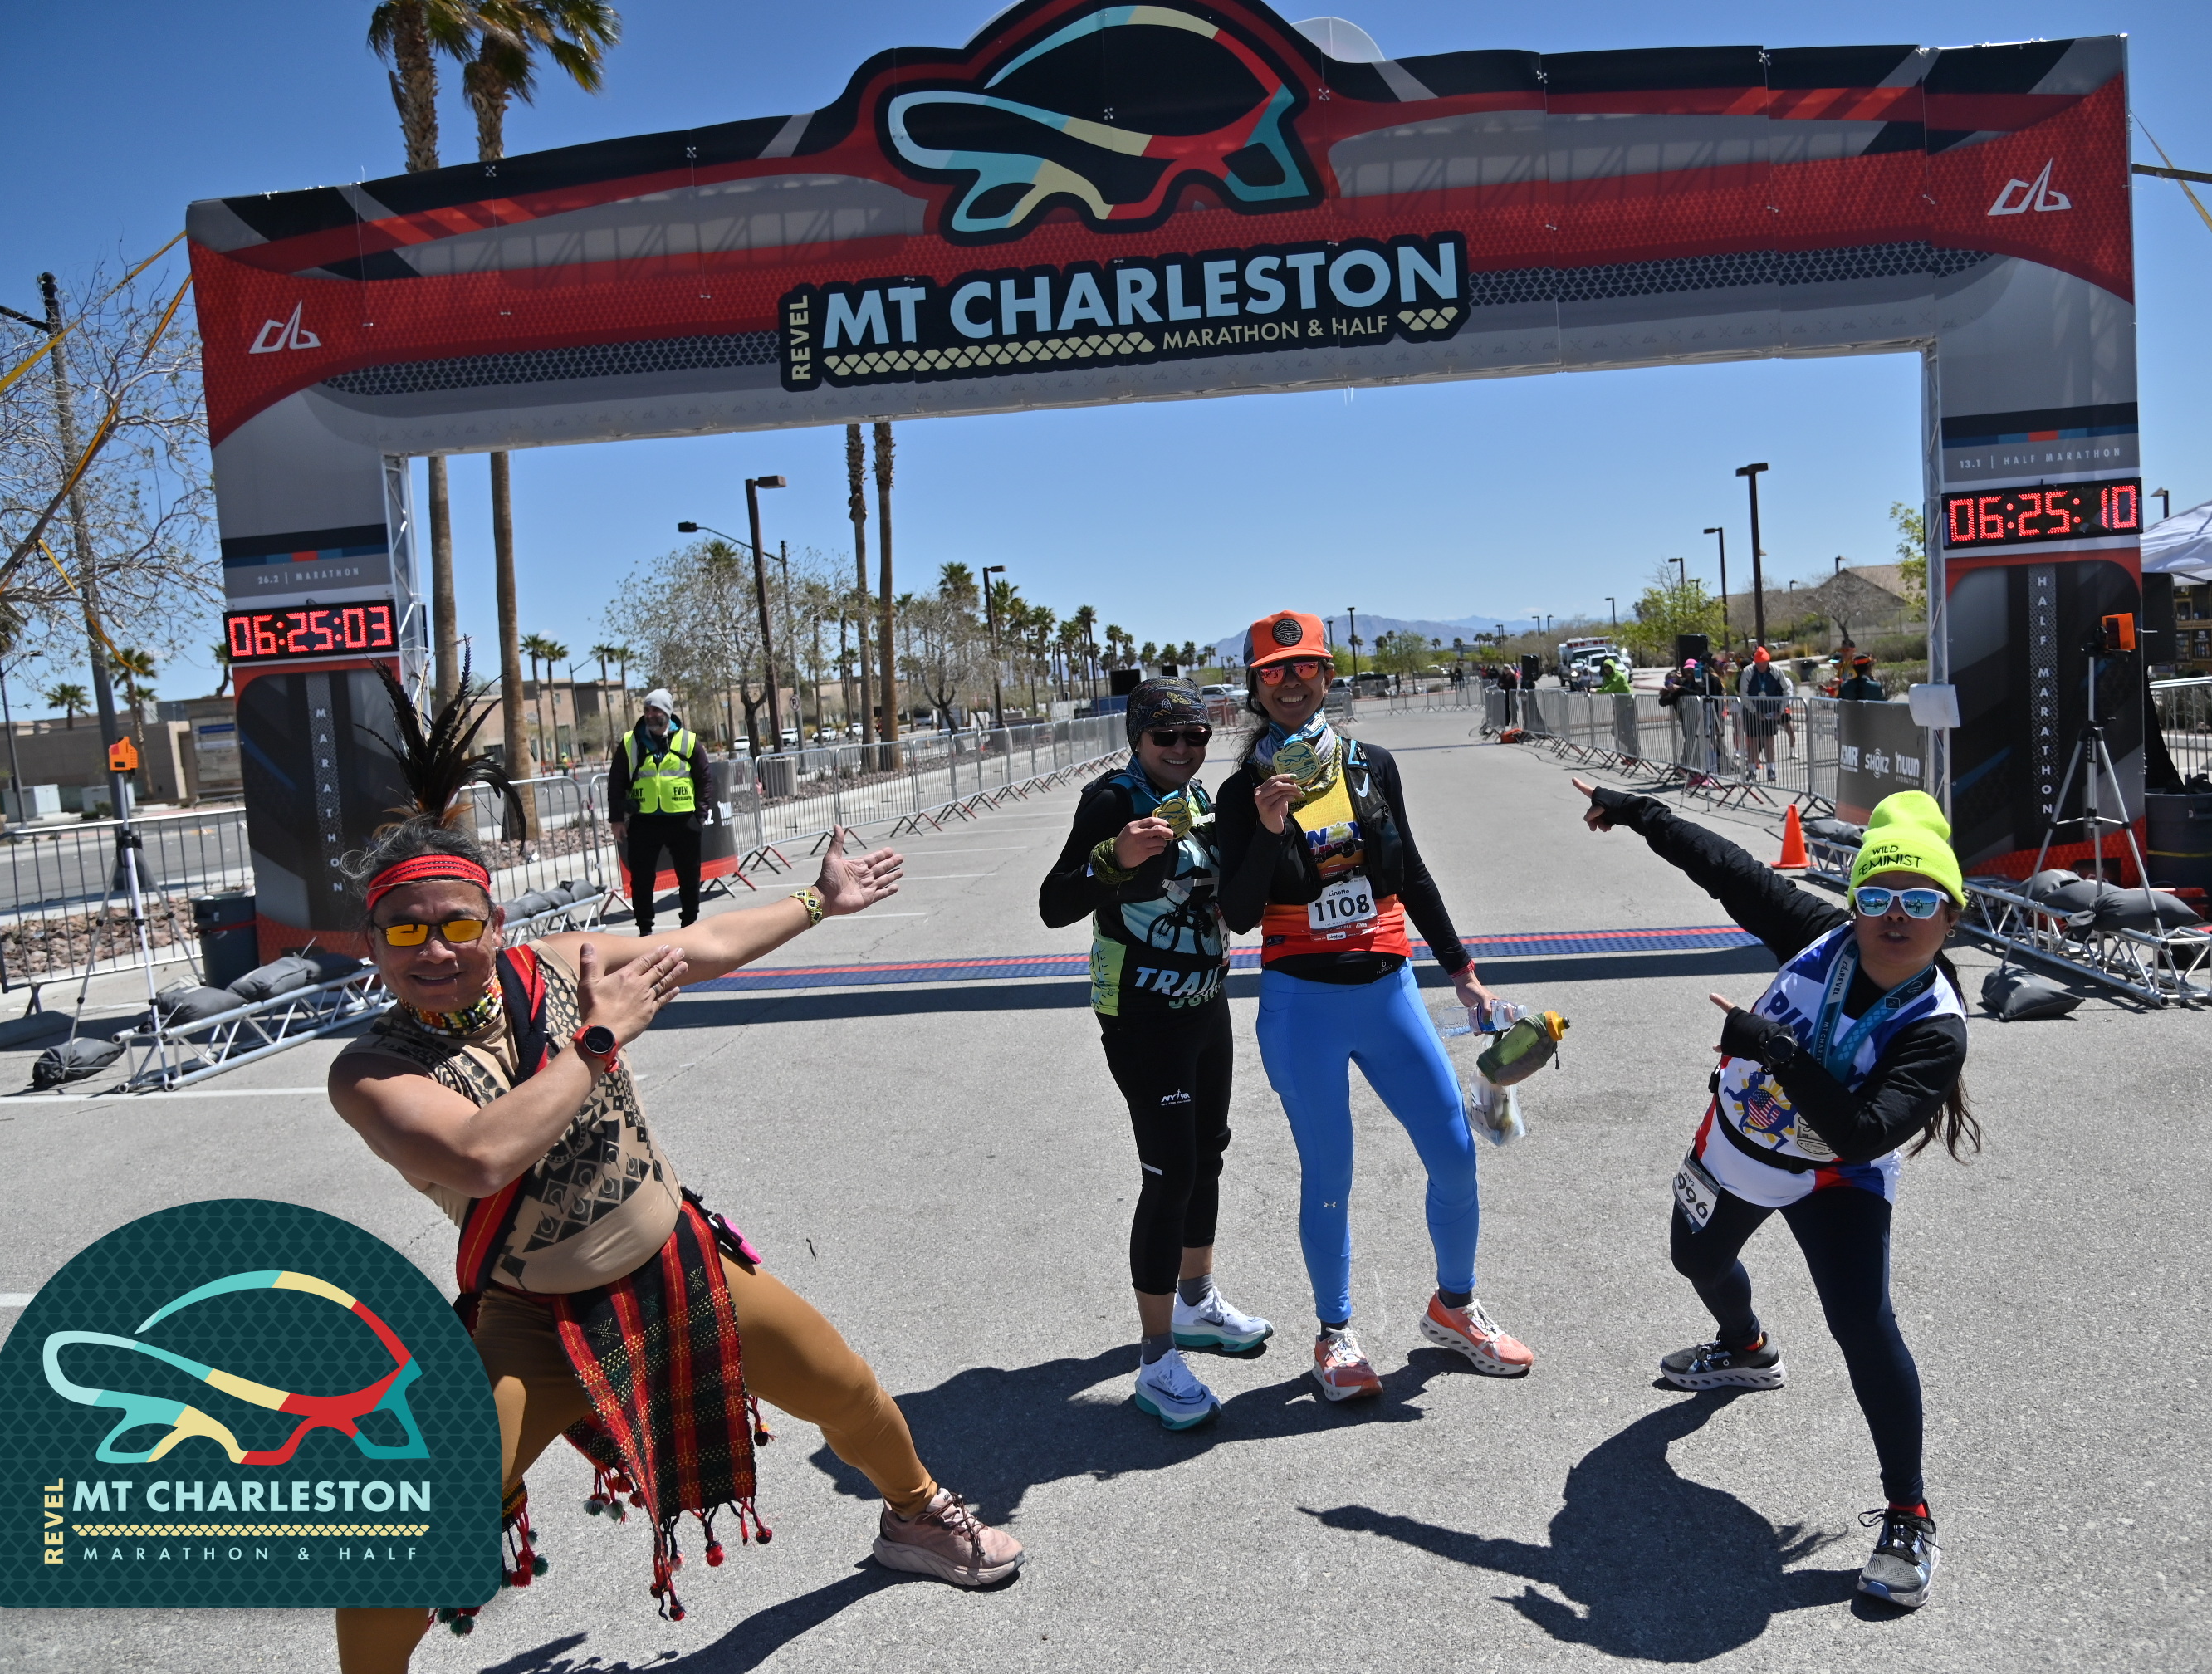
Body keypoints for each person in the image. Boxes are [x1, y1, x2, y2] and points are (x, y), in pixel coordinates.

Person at [328, 666, 1020, 1674]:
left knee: (845, 1389)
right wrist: (598, 1042)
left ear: (495, 924)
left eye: (457, 924)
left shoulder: (556, 967)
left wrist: (816, 902)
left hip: (679, 1267)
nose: (433, 950)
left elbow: (699, 945)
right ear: (371, 944)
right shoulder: (371, 1070)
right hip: (534, 1320)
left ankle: (916, 1519)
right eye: (405, 930)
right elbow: (479, 1158)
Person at [1568, 776, 1977, 1611]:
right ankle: (1747, 1348)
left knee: (1863, 1324)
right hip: (1736, 1146)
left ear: (1951, 917)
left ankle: (1909, 1515)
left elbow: (1864, 1132)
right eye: (1877, 896)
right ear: (1854, 903)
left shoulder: (1936, 1026)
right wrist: (1637, 810)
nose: (1895, 916)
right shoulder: (1818, 935)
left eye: (1920, 900)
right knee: (1694, 1259)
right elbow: (1724, 867)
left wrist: (1778, 1050)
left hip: (1836, 1174)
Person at [1213, 609, 1534, 1402]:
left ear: (1327, 675)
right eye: (1274, 672)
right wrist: (1267, 828)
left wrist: (1463, 972)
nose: (1291, 683)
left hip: (1389, 990)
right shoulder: (1242, 789)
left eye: (1305, 668)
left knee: (1455, 1153)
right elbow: (1240, 914)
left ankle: (1454, 1307)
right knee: (1330, 1175)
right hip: (1302, 1004)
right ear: (1255, 686)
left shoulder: (1372, 765)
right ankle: (1336, 1335)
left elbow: (1411, 872)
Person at [1039, 678, 1273, 1431]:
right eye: (1165, 736)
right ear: (1137, 739)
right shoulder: (1113, 799)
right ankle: (1155, 1358)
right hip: (1141, 1014)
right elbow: (1054, 903)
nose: (1181, 748)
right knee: (1169, 1174)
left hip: (1206, 1002)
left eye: (1195, 736)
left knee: (1207, 1155)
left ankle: (1196, 1301)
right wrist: (1113, 856)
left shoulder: (1199, 800)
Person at [609, 689, 712, 936]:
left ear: (667, 712)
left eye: (655, 710)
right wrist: (616, 819)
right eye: (646, 710)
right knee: (641, 879)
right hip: (644, 820)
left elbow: (705, 779)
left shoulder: (688, 740)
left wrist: (700, 814)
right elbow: (616, 781)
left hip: (683, 820)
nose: (650, 715)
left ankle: (689, 926)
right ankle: (645, 929)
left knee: (689, 877)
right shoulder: (631, 741)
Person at [1741, 647, 1792, 781]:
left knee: (1769, 741)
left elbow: (1786, 691)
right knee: (1753, 742)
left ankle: (1771, 770)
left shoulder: (1776, 671)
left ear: (1768, 661)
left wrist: (1780, 710)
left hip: (1771, 710)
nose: (1761, 666)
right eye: (1758, 663)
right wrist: (1755, 711)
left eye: (1763, 663)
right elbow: (1743, 694)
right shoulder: (1748, 672)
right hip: (1752, 711)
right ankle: (1752, 770)